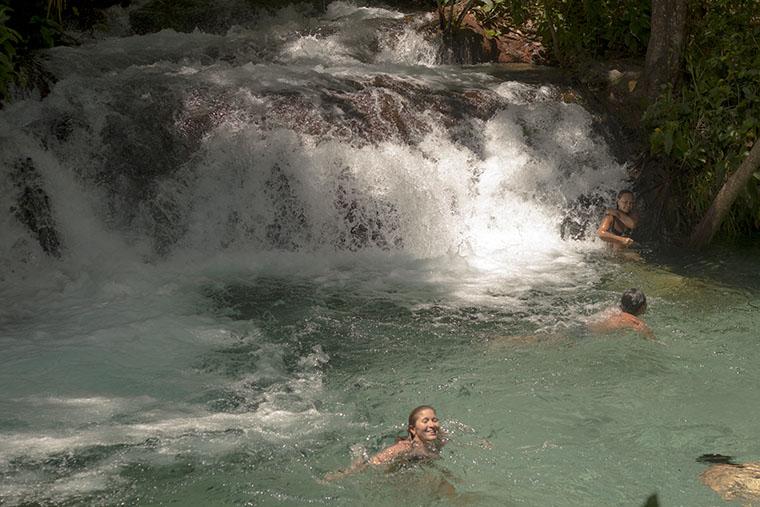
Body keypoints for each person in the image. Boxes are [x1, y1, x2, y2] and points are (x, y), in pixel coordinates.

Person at [323, 405, 445, 481]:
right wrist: (344, 473)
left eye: (435, 420)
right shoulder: (405, 447)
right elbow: (375, 461)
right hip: (396, 475)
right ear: (413, 429)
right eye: (425, 421)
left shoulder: (436, 440)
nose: (432, 425)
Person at [587, 288, 655, 340]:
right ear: (642, 307)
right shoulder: (635, 322)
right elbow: (653, 340)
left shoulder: (612, 310)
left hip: (585, 327)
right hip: (587, 336)